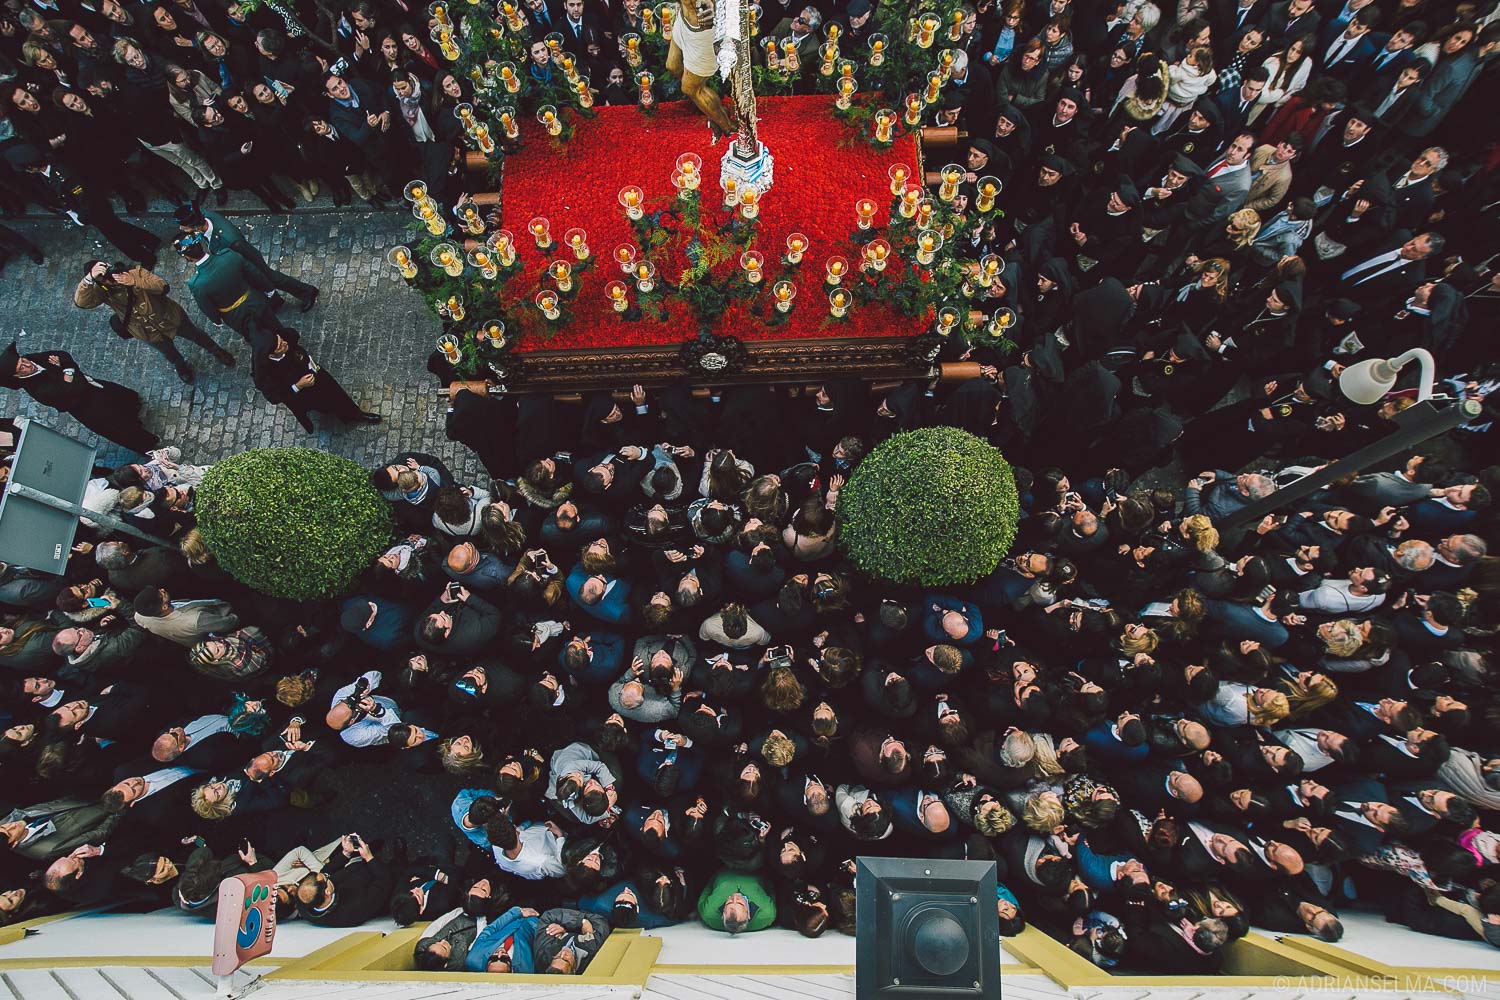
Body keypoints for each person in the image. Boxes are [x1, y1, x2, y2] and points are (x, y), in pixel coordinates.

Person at [73, 259, 236, 384]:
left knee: (195, 334)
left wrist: (134, 281)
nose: (110, 279)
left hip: (170, 317)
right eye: (103, 278)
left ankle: (215, 350)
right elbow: (81, 302)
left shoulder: (135, 273)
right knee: (167, 351)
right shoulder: (102, 293)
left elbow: (162, 286)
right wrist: (89, 279)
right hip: (146, 331)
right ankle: (180, 364)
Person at [0, 342, 158, 452]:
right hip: (91, 409)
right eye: (22, 367)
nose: (28, 364)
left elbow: (62, 355)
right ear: (16, 375)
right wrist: (66, 370)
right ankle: (149, 445)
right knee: (121, 427)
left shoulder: (32, 358)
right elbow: (77, 388)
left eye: (23, 360)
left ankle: (134, 410)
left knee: (121, 399)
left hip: (95, 389)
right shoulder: (38, 390)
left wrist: (66, 371)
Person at [250, 330, 381, 432]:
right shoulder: (266, 373)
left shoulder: (285, 341)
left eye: (281, 340)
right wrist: (298, 385)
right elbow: (274, 397)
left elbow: (293, 336)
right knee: (320, 404)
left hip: (317, 375)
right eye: (279, 346)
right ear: (271, 355)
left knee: (337, 395)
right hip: (301, 394)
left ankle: (354, 415)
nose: (284, 343)